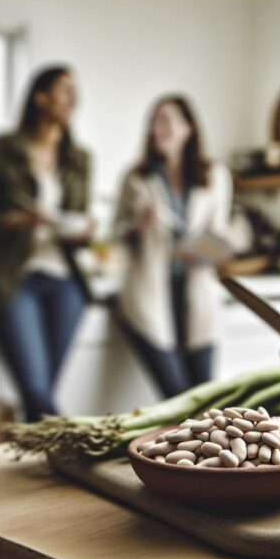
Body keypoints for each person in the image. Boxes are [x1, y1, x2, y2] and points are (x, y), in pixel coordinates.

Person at [0, 66, 91, 422]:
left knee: (40, 394)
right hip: (13, 279)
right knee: (37, 390)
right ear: (40, 98)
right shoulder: (5, 149)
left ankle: (39, 467)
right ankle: (77, 443)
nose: (73, 99)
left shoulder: (80, 159)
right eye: (65, 90)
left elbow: (78, 219)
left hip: (68, 282)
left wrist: (83, 231)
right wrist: (17, 220)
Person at [113, 95, 233, 398]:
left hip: (198, 297)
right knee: (176, 397)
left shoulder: (215, 176)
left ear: (187, 128)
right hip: (148, 295)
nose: (157, 128)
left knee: (206, 397)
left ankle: (205, 448)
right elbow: (116, 235)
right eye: (154, 121)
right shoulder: (136, 177)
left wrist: (194, 251)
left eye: (165, 119)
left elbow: (220, 244)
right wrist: (140, 223)